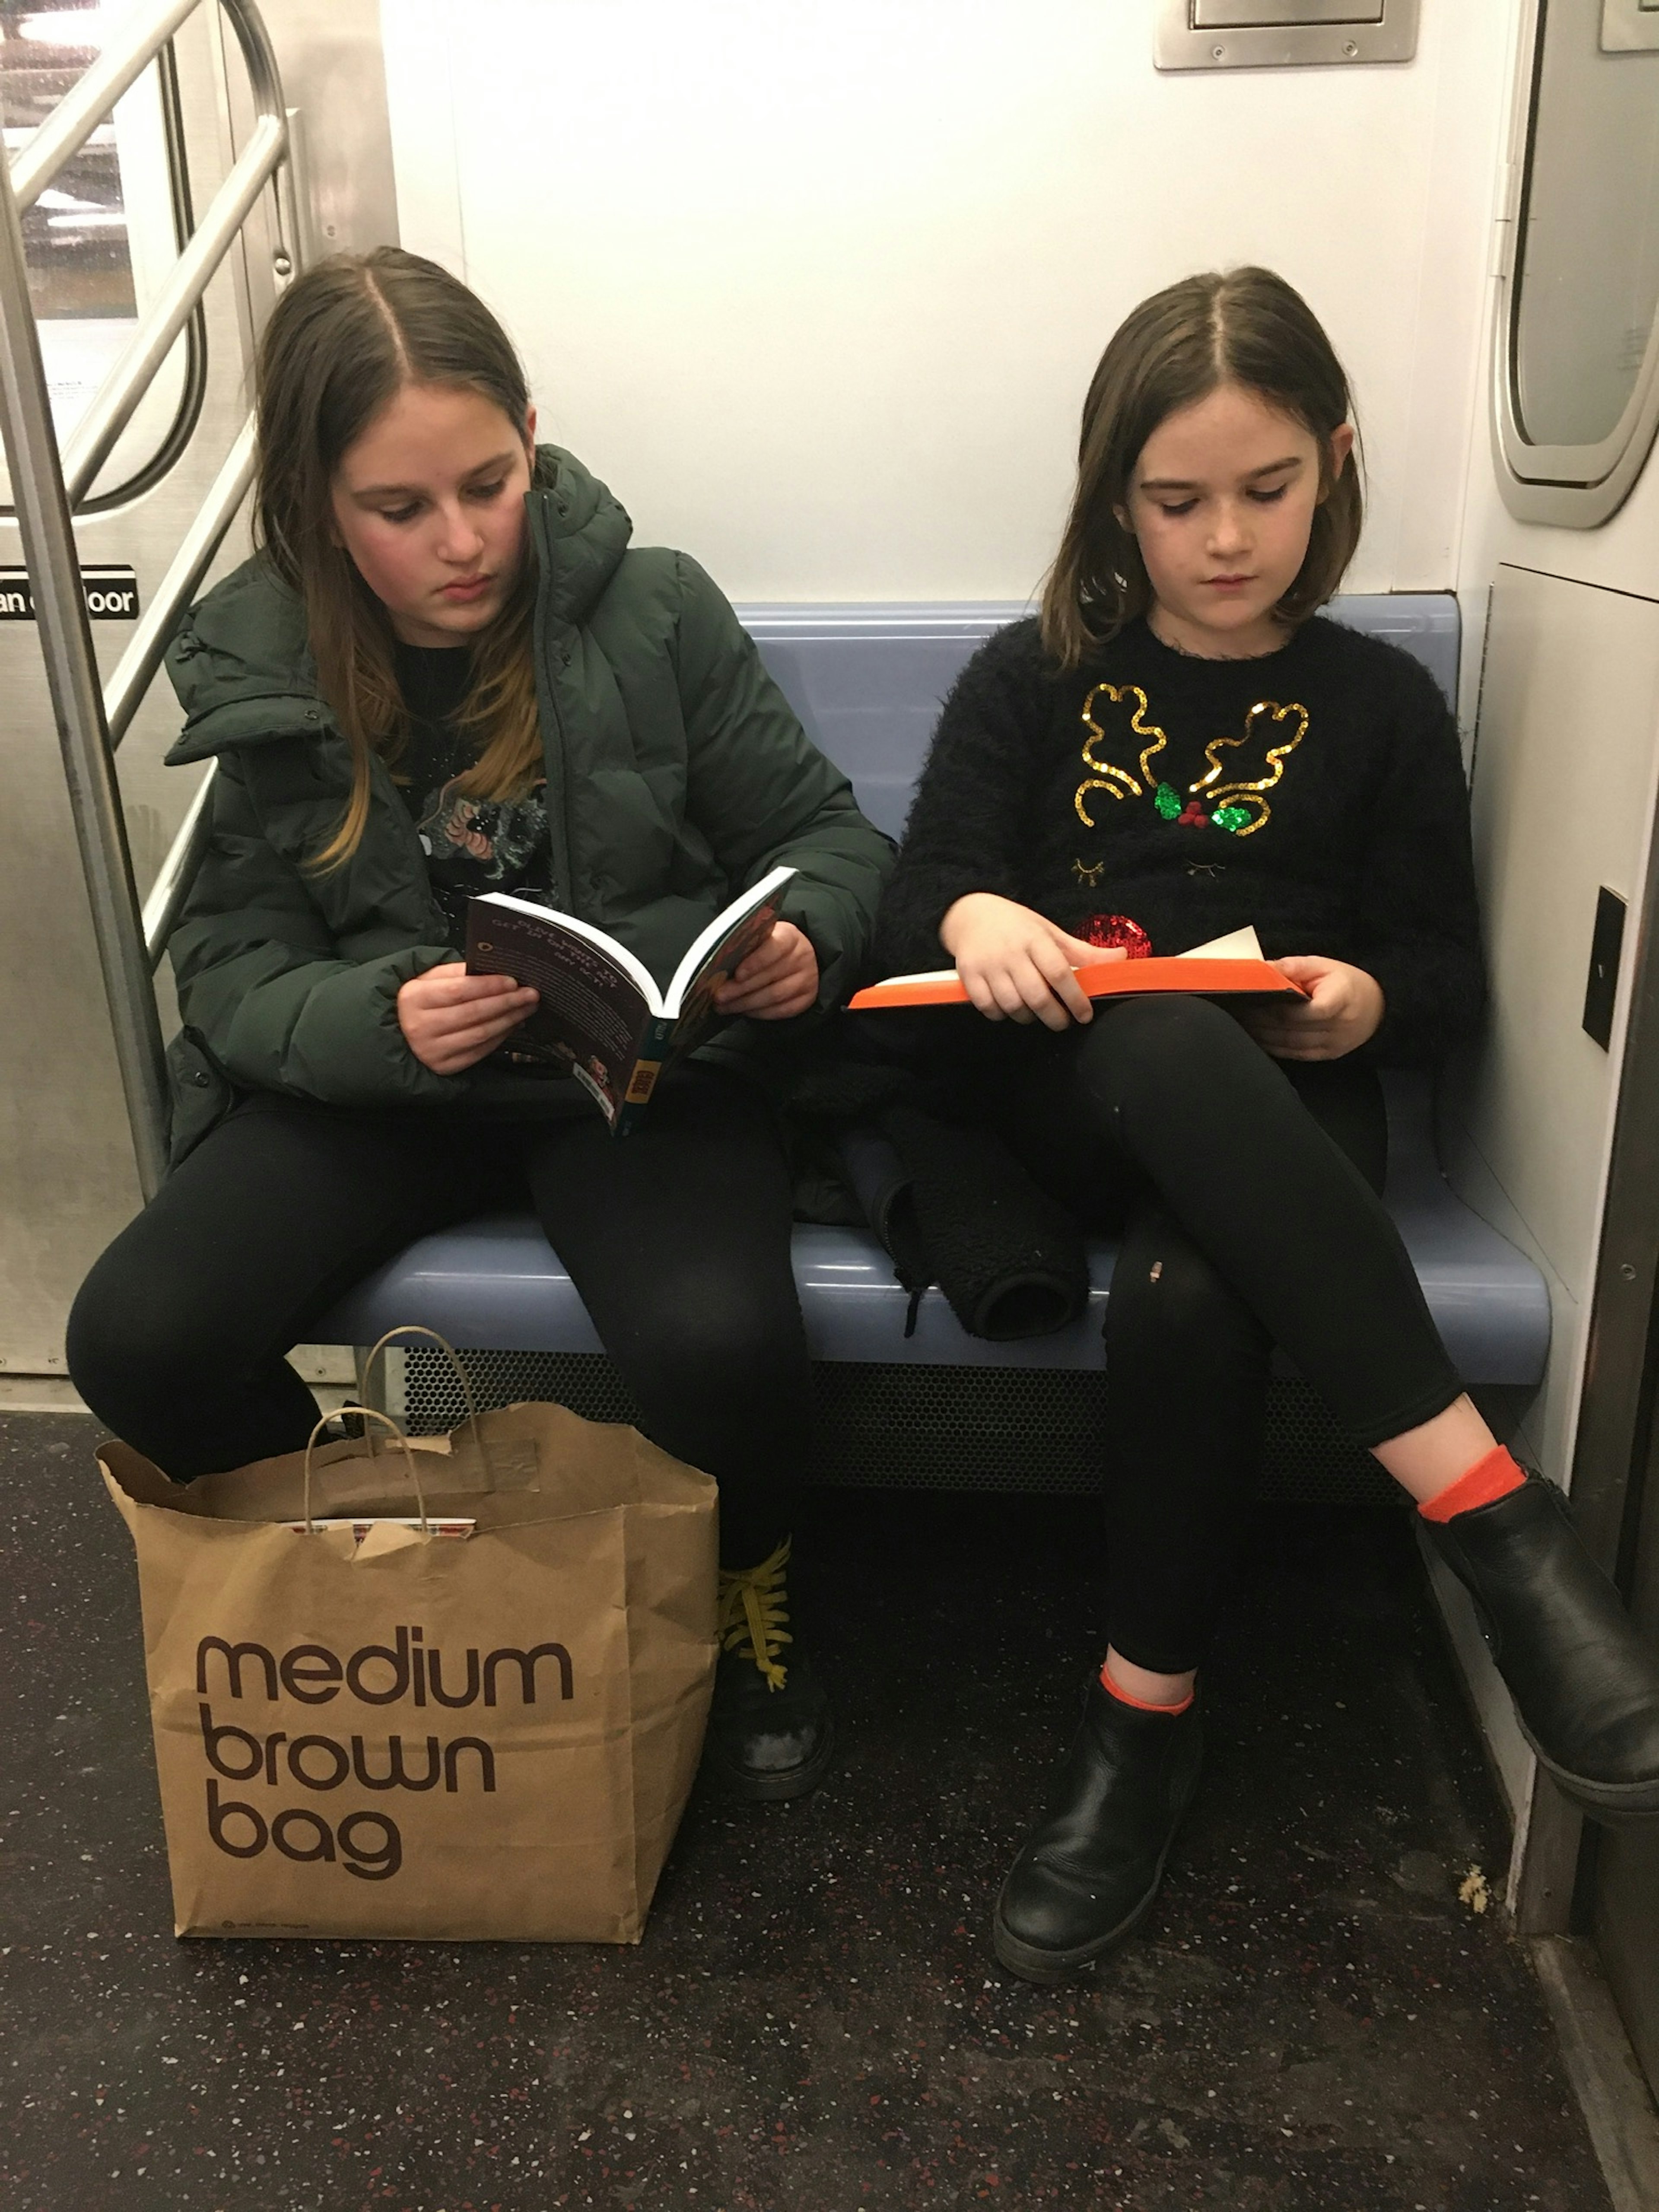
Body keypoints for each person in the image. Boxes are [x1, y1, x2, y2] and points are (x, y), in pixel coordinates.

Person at [867, 266, 1659, 1984]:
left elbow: (1441, 973)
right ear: (1115, 499)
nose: (1227, 535)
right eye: (1178, 500)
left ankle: (1142, 1717)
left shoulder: (1378, 708)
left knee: (1194, 1292)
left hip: (1285, 1104)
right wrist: (980, 923)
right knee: (1149, 1012)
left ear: (1339, 464)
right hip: (1070, 1086)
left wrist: (1363, 998)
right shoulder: (1037, 677)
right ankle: (1492, 1518)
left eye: (1269, 488)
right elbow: (921, 890)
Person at [67, 247, 893, 1803]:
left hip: (633, 1078)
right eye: (402, 510)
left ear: (532, 430)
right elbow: (235, 963)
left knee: (721, 1346)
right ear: (320, 509)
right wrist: (382, 1018)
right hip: (394, 1086)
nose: (465, 541)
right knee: (136, 1339)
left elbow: (831, 842)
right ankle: (365, 1535)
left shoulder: (649, 612)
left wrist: (804, 944)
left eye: (492, 482)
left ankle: (747, 1596)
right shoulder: (269, 650)